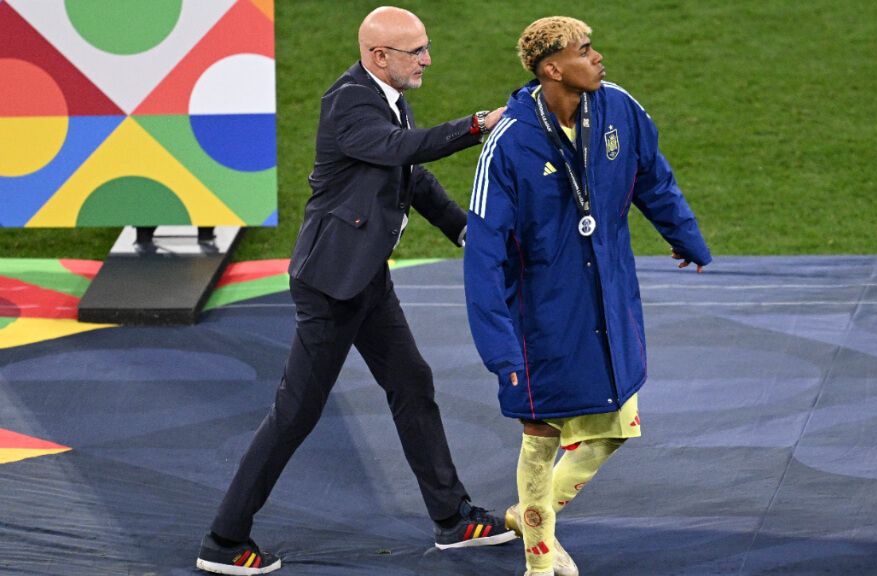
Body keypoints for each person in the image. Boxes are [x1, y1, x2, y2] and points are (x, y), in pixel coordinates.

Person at [196, 6, 515, 575]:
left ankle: (452, 519)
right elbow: (403, 152)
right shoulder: (348, 101)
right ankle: (224, 539)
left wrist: (461, 227)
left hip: (365, 277)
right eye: (416, 50)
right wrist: (475, 125)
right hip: (331, 285)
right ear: (378, 56)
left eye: (425, 46)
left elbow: (409, 177)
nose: (428, 59)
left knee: (412, 383)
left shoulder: (384, 94)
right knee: (295, 414)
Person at [463, 16, 712, 576]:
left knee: (615, 427)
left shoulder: (619, 108)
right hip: (542, 312)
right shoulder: (508, 144)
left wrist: (686, 238)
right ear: (552, 68)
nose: (598, 57)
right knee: (542, 431)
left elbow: (653, 177)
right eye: (584, 50)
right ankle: (538, 560)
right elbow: (483, 254)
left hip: (608, 296)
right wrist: (500, 351)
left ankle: (531, 515)